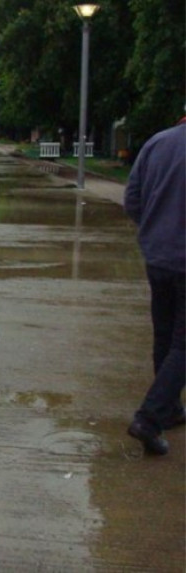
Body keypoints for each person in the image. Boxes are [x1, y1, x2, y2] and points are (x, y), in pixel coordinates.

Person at [123, 118, 186, 456]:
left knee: (165, 336)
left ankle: (171, 407)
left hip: (158, 256)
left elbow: (132, 199)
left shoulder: (157, 142)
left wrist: (154, 229)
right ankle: (150, 417)